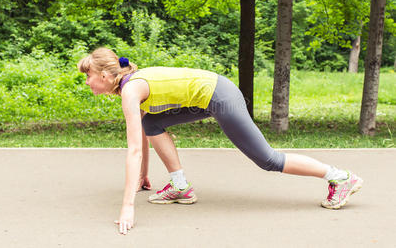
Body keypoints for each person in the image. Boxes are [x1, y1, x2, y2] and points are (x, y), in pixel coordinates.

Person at [78, 47, 363, 235]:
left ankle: (340, 177)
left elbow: (134, 151)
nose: (88, 82)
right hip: (208, 95)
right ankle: (181, 187)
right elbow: (143, 131)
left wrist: (128, 205)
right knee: (152, 121)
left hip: (220, 95)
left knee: (268, 159)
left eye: (88, 76)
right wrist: (142, 177)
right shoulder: (131, 86)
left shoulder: (130, 91)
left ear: (104, 75)